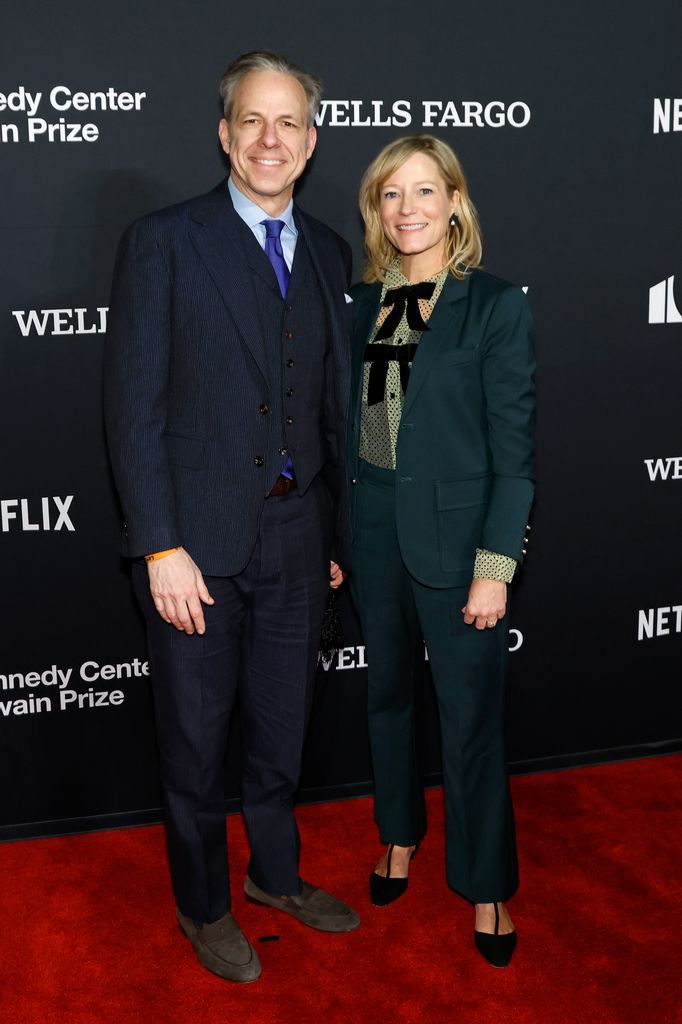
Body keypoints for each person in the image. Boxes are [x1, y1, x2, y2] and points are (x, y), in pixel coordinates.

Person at [103, 50, 358, 985]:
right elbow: (134, 408)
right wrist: (159, 544)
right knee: (196, 743)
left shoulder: (329, 252)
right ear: (224, 133)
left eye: (288, 123)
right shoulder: (166, 240)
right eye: (252, 120)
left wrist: (334, 541)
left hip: (298, 540)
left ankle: (275, 878)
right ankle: (204, 902)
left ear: (311, 143)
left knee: (281, 730)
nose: (269, 139)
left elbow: (333, 407)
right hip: (193, 548)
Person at [347, 134, 535, 967]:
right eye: (392, 195)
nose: (409, 209)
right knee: (385, 695)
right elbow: (340, 432)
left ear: (455, 201)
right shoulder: (359, 304)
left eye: (426, 191)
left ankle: (487, 881)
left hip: (459, 542)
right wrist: (336, 537)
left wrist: (495, 568)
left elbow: (515, 453)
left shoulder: (493, 305)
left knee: (469, 720)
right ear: (376, 211)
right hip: (372, 525)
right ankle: (397, 834)